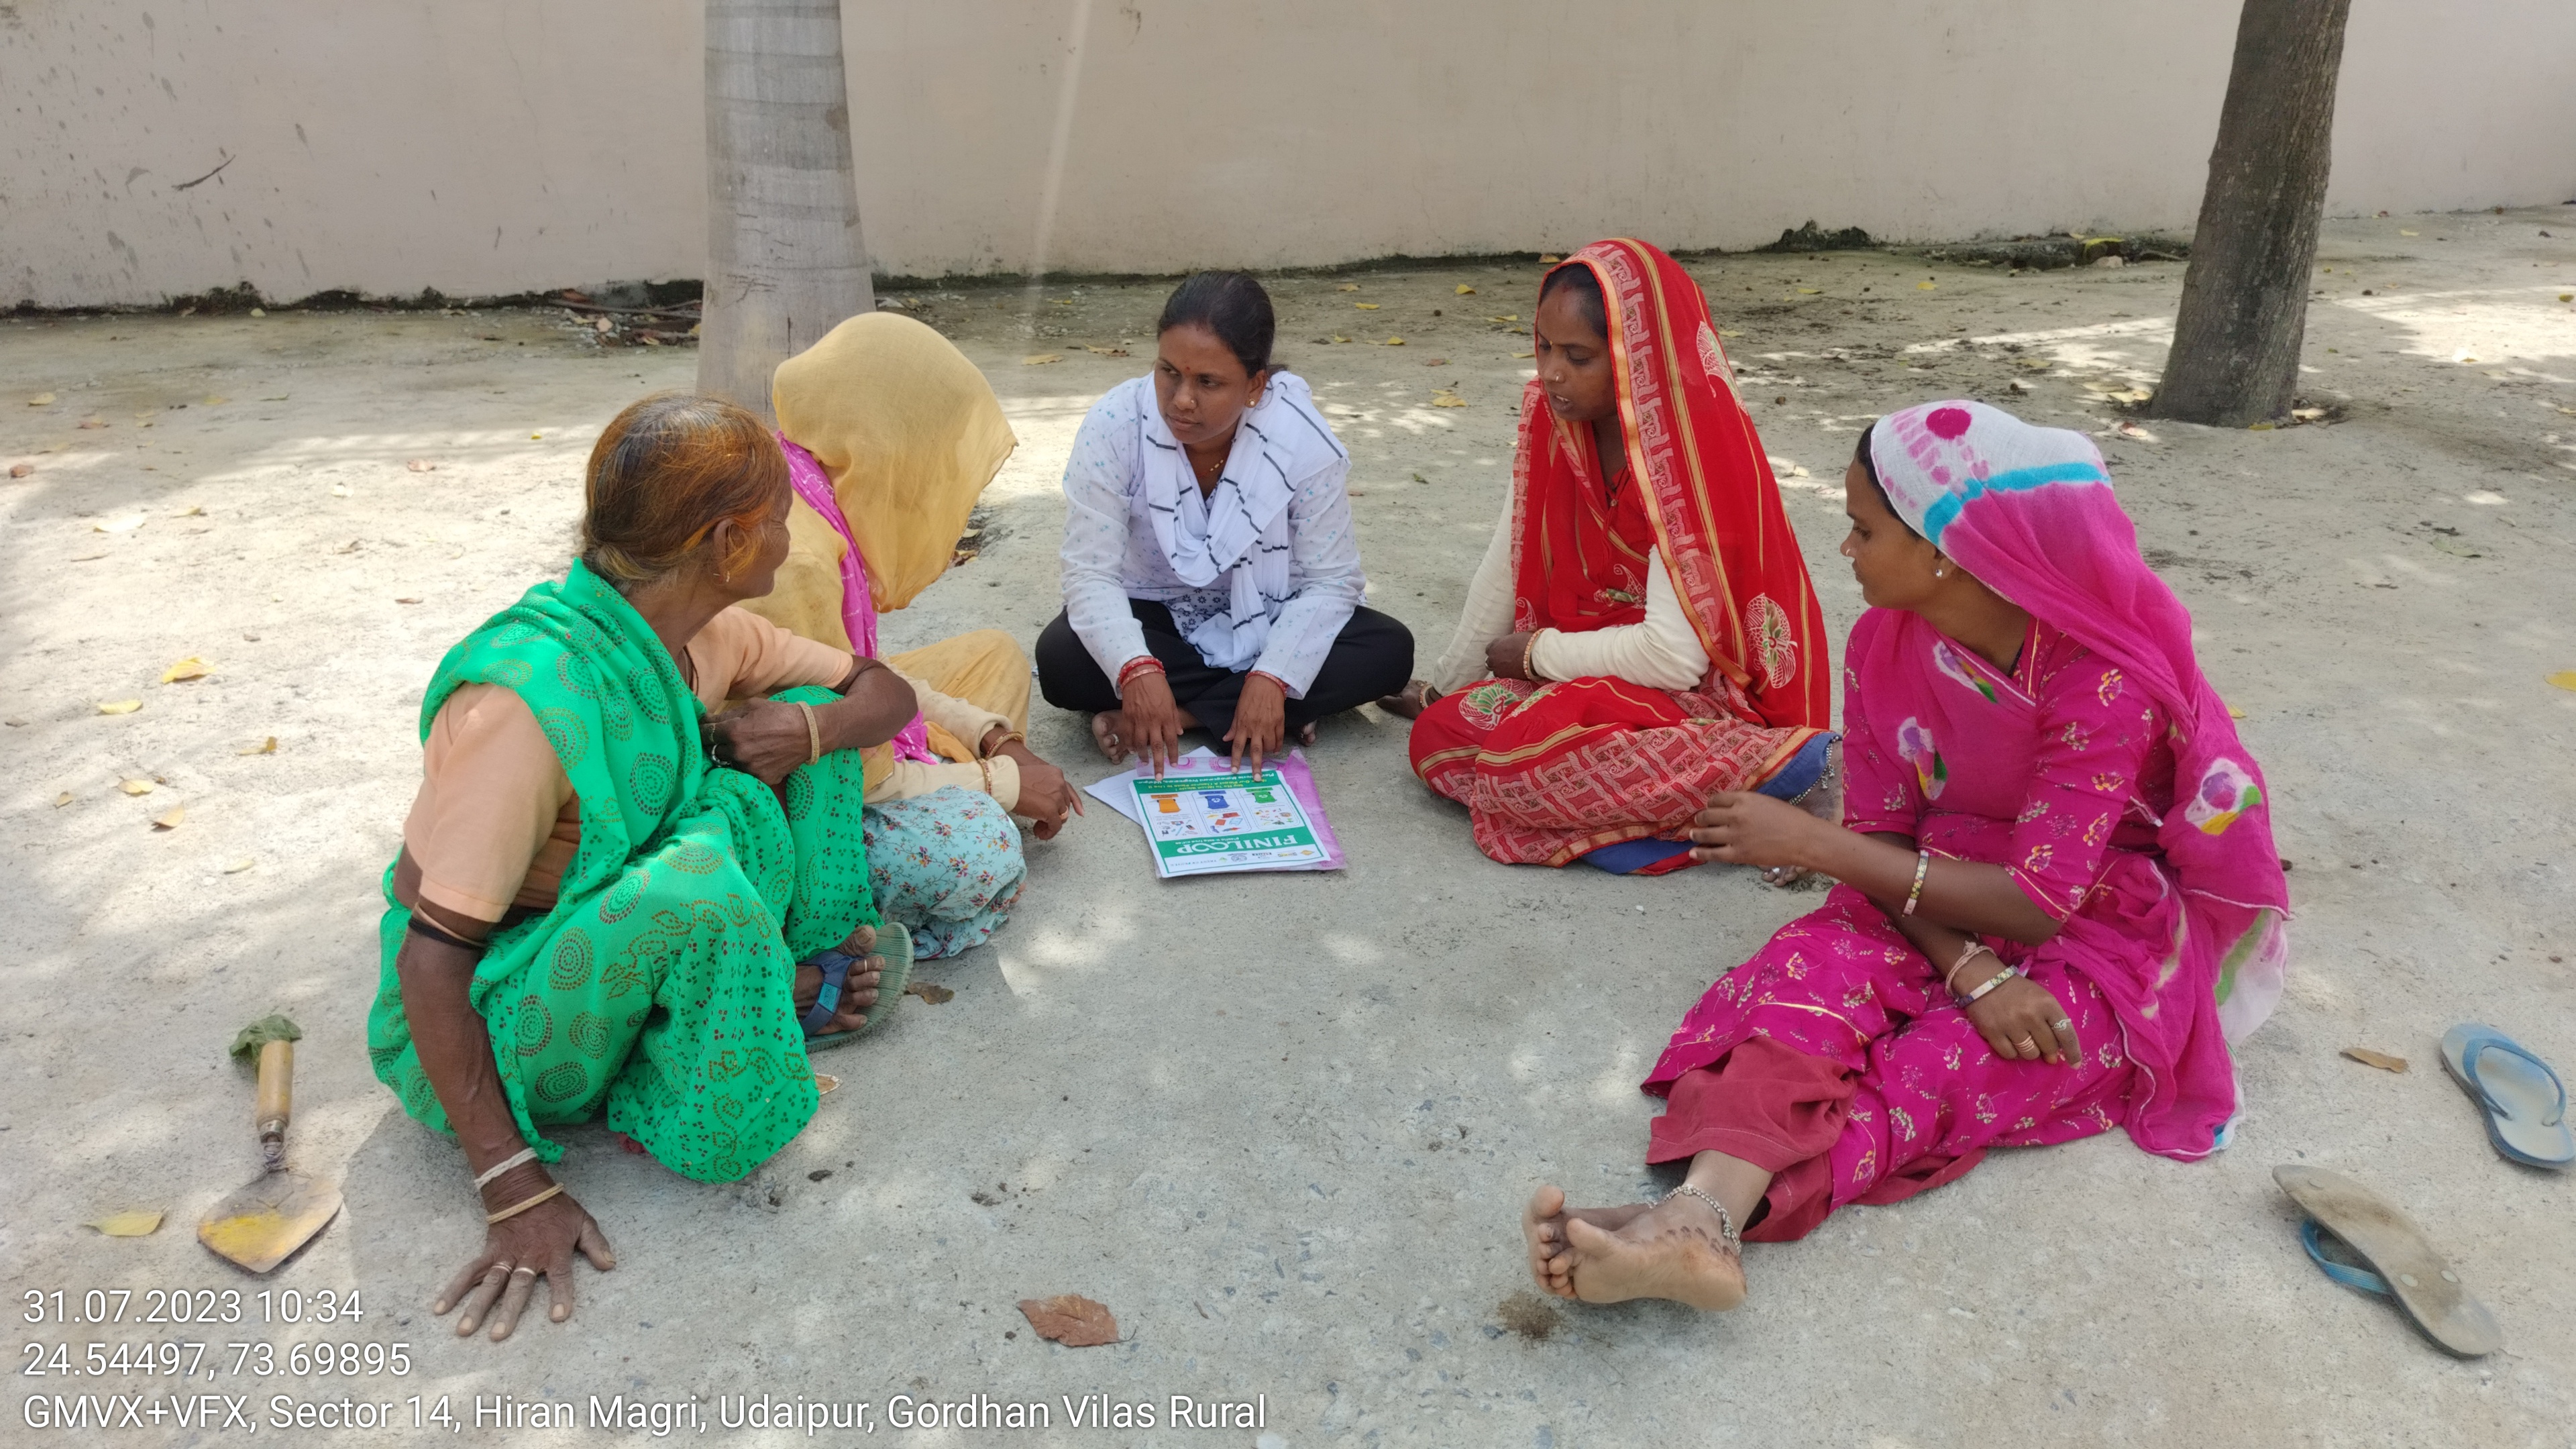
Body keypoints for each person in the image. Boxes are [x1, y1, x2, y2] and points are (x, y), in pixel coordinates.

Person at [1520, 400, 2291, 1311]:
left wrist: (1817, 844)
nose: (1845, 549)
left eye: (1862, 528)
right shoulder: (1884, 641)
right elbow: (1884, 841)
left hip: (2099, 921)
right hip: (1926, 889)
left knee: (1944, 1068)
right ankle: (1695, 1219)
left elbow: (2040, 901)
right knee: (1798, 995)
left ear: (1946, 552)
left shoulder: (2101, 680)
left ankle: (1704, 1218)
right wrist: (1967, 966)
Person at [370, 392, 932, 1343]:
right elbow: (432, 963)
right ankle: (744, 1014)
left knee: (794, 737)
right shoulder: (528, 705)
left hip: (606, 934)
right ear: (726, 542)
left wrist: (809, 727)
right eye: (777, 517)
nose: (791, 533)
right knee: (699, 882)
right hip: (509, 1014)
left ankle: (773, 981)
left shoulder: (700, 638)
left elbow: (882, 694)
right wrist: (511, 1186)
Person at [1379, 239, 1835, 874]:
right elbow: (1510, 555)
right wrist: (1444, 686)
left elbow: (1674, 659)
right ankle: (1681, 812)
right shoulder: (1552, 419)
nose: (1552, 373)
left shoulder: (1686, 455)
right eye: (1542, 347)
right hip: (1584, 677)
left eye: (1579, 356)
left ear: (1633, 360)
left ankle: (1779, 763)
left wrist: (1536, 655)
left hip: (1696, 700)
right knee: (1441, 735)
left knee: (1518, 763)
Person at [735, 311, 1079, 959]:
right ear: (890, 444)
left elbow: (864, 672)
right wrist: (1000, 783)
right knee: (986, 853)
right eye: (934, 456)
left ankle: (951, 774)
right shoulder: (797, 563)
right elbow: (849, 774)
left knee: (992, 657)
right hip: (799, 799)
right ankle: (829, 939)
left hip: (845, 728)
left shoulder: (804, 479)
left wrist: (991, 736)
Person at [1035, 270, 1413, 774]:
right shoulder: (1116, 425)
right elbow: (1089, 573)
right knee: (1061, 660)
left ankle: (1185, 716)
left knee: (1388, 651)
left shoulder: (1300, 442)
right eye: (1169, 371)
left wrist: (1273, 675)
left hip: (1273, 612)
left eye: (1208, 382)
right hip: (1157, 612)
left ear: (1255, 385)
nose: (1181, 399)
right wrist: (1136, 667)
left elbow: (1332, 581)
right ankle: (1265, 712)